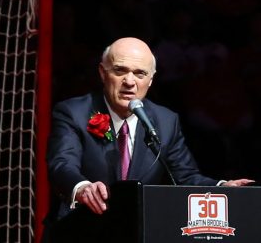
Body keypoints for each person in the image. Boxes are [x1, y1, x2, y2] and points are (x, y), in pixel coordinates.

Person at [45, 37, 254, 238]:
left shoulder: (165, 121)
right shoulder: (73, 112)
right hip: (80, 230)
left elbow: (184, 177)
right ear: (102, 72)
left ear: (151, 80)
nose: (130, 81)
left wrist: (222, 188)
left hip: (138, 232)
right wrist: (82, 188)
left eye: (139, 73)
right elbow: (62, 164)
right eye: (120, 71)